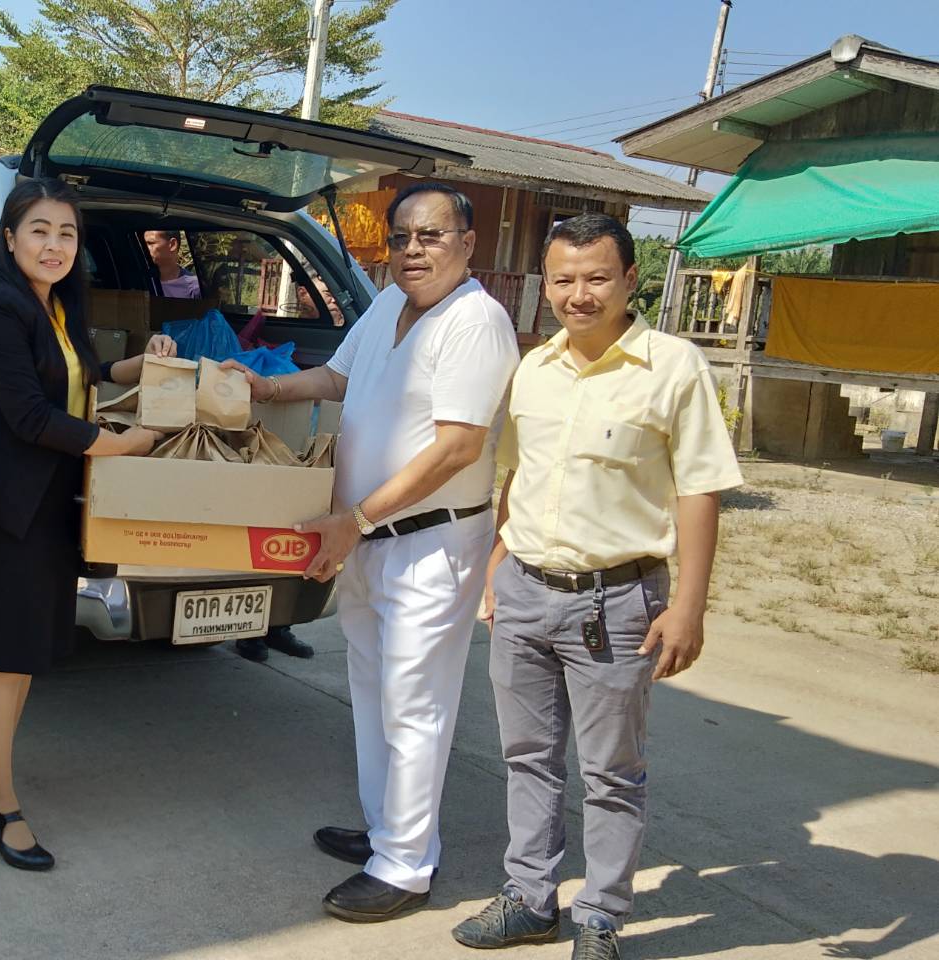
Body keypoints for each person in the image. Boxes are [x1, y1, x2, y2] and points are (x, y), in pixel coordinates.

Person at [224, 182, 520, 923]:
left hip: (429, 541)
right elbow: (337, 378)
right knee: (374, 691)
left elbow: (458, 447)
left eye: (430, 235)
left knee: (416, 702)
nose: (413, 250)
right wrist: (265, 386)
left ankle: (407, 866)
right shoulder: (389, 304)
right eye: (401, 238)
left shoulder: (476, 321)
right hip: (363, 537)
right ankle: (388, 830)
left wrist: (355, 518)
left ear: (467, 243)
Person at [450, 214, 741, 960]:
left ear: (630, 280)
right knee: (527, 756)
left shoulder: (673, 368)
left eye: (596, 278)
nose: (579, 295)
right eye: (564, 280)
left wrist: (688, 608)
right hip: (523, 591)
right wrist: (495, 565)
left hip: (618, 603)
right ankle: (529, 898)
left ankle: (602, 917)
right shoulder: (535, 368)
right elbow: (518, 474)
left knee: (611, 772)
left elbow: (700, 490)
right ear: (546, 285)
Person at [0, 179, 173, 871]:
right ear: (11, 238)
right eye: (40, 230)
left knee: (23, 660)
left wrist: (135, 365)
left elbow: (80, 377)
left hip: (53, 507)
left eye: (67, 234)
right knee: (2, 659)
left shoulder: (53, 306)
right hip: (10, 511)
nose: (55, 245)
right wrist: (124, 445)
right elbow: (28, 416)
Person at [144, 229, 201, 298]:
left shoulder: (194, 288)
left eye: (150, 243)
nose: (144, 247)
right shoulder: (138, 280)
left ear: (172, 244)